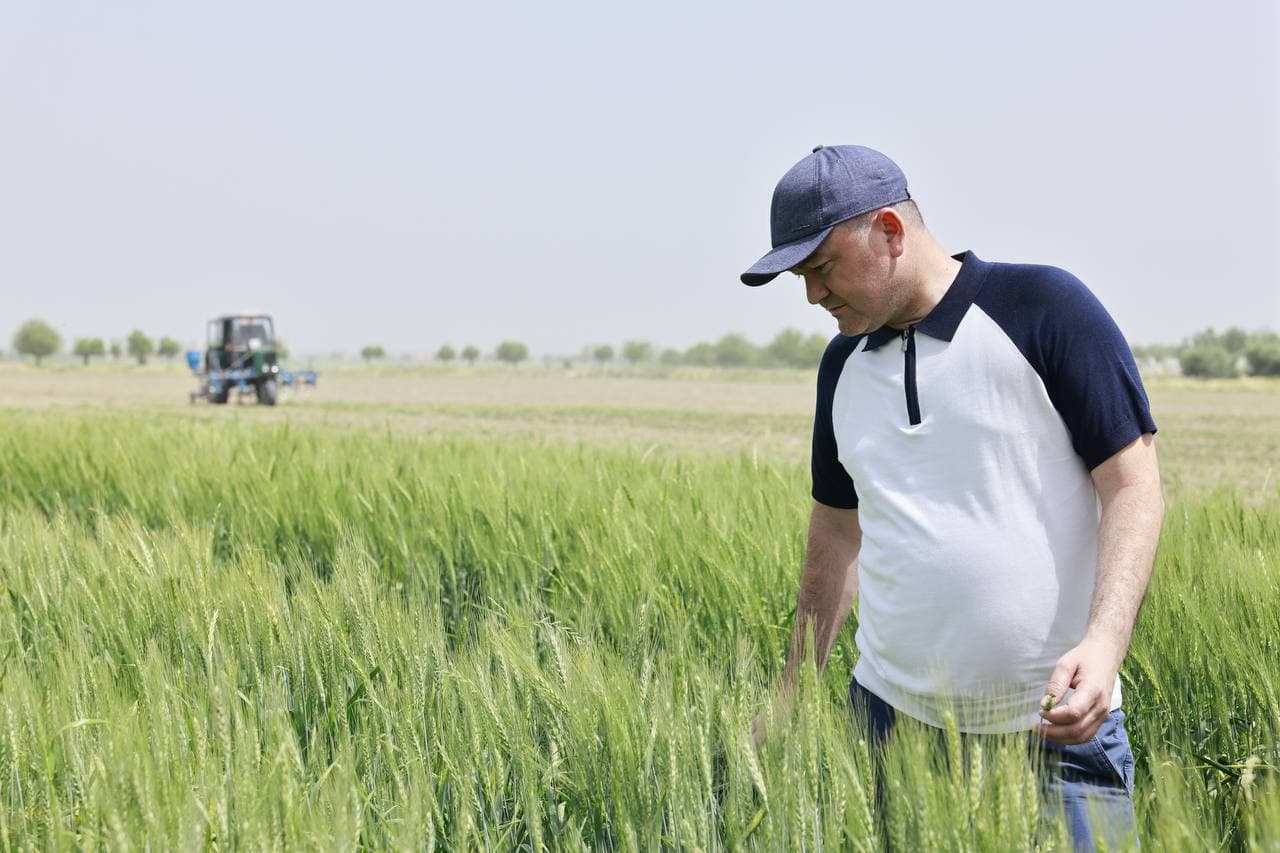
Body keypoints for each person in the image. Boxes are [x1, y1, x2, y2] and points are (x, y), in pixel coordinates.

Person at [741, 145, 1164, 850]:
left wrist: (1105, 644)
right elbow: (837, 529)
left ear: (890, 231)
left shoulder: (1045, 309)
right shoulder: (841, 365)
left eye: (821, 268)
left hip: (1053, 734)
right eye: (800, 278)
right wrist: (793, 691)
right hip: (889, 731)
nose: (812, 295)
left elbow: (1133, 483)